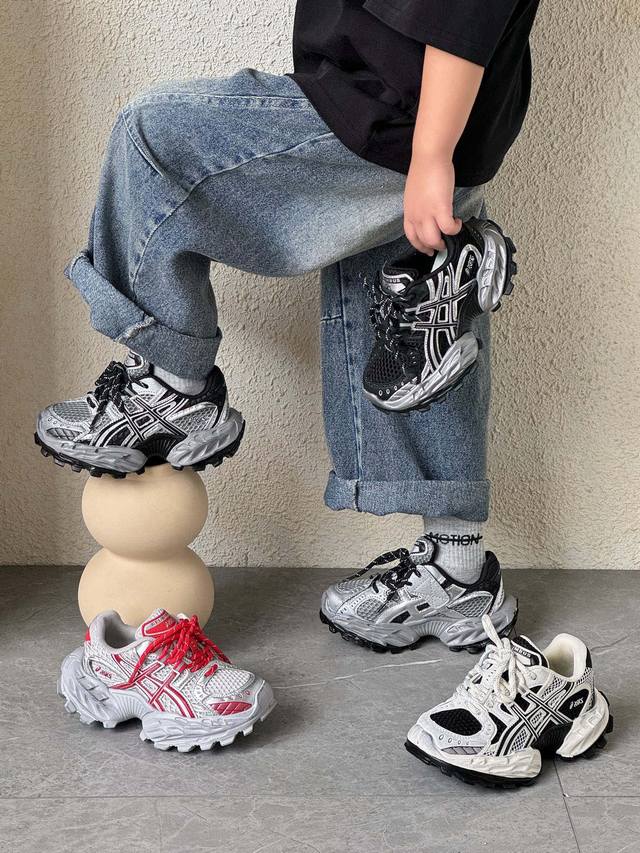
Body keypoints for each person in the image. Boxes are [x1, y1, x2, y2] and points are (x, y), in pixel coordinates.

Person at [36, 0, 540, 653]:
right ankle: (457, 569)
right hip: (407, 113)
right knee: (417, 321)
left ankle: (171, 388)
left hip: (391, 114)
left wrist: (432, 151)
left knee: (153, 137)